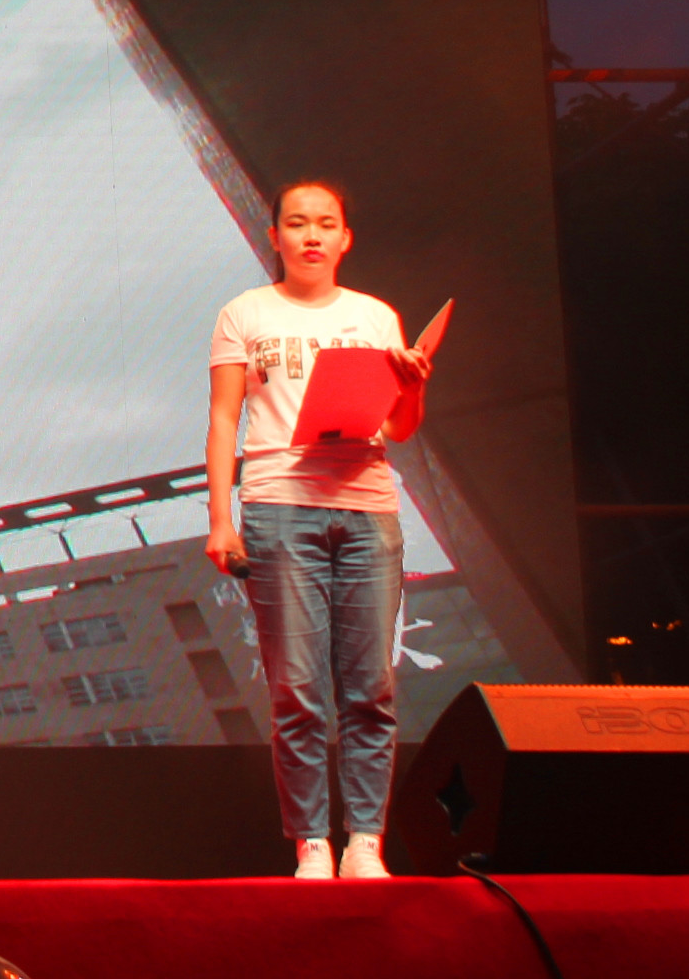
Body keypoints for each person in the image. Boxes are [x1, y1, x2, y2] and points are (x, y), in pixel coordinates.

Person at [205, 178, 434, 881]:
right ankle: (312, 842)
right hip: (279, 506)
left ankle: (365, 840)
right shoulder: (244, 313)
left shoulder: (375, 316)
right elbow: (224, 418)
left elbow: (400, 426)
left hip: (367, 506)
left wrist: (414, 383)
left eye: (326, 223)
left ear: (345, 238)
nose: (312, 234)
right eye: (298, 223)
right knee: (297, 688)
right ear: (274, 236)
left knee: (371, 686)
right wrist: (220, 520)